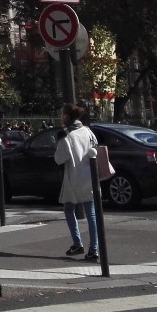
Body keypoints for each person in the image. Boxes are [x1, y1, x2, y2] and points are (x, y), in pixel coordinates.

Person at [54, 103, 100, 261]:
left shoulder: (65, 135)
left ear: (66, 116)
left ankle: (77, 242)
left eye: (62, 114)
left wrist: (58, 142)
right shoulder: (87, 131)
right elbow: (96, 147)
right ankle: (94, 249)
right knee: (91, 214)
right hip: (90, 176)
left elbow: (59, 159)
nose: (61, 117)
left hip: (73, 178)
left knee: (68, 208)